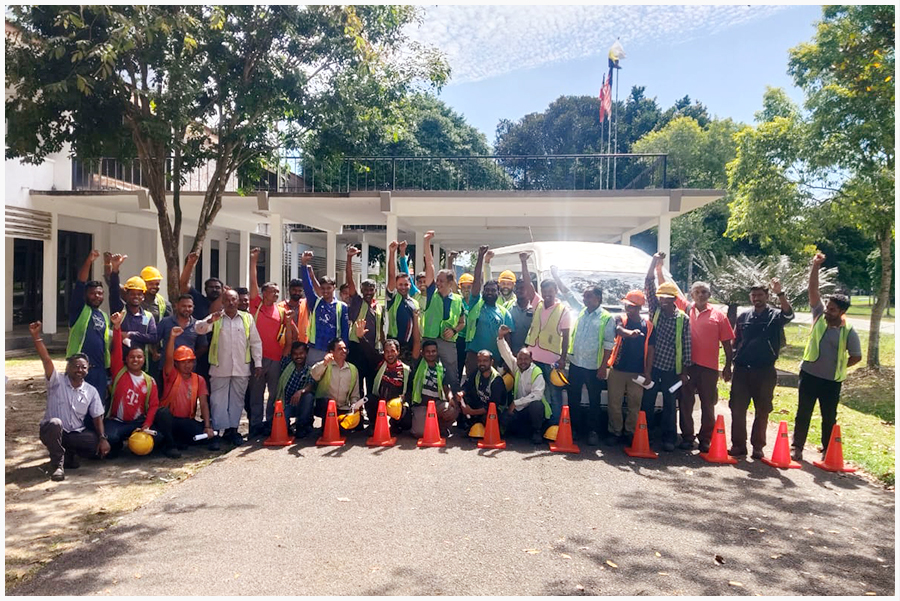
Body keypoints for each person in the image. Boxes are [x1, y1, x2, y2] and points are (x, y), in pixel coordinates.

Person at [653, 254, 735, 452]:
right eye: (697, 292)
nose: (700, 295)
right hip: (686, 366)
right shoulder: (686, 309)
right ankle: (687, 437)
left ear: (709, 295)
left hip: (709, 368)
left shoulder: (719, 316)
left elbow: (727, 343)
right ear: (691, 294)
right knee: (685, 402)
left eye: (704, 292)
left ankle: (705, 438)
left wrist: (727, 365)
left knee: (708, 404)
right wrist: (659, 269)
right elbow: (666, 290)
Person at [791, 252, 862, 462]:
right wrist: (815, 266)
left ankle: (827, 450)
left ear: (841, 311)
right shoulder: (819, 316)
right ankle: (797, 447)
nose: (827, 311)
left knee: (829, 417)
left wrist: (840, 366)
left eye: (832, 309)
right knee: (803, 413)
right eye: (827, 307)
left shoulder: (849, 331)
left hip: (831, 381)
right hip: (809, 374)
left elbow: (856, 356)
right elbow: (813, 290)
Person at [31, 321, 110, 481]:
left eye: (83, 367)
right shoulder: (56, 381)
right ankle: (57, 465)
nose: (79, 370)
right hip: (51, 431)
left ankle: (69, 455)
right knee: (55, 423)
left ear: (88, 370)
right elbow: (46, 360)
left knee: (93, 442)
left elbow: (97, 417)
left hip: (74, 434)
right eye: (76, 366)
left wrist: (103, 439)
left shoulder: (91, 391)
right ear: (68, 368)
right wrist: (36, 336)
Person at [729, 278, 794, 459]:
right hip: (742, 370)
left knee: (763, 409)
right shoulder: (743, 317)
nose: (756, 298)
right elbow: (736, 340)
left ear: (767, 296)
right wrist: (733, 359)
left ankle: (758, 446)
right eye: (753, 295)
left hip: (764, 371)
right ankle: (738, 445)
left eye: (760, 295)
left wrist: (780, 293)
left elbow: (789, 315)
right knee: (737, 408)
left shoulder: (775, 315)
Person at [551, 266, 615, 446]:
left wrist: (603, 367)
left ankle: (593, 431)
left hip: (594, 367)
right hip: (576, 364)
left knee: (594, 401)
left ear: (598, 298)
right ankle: (575, 429)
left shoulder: (606, 318)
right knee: (574, 398)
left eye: (589, 296)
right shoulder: (580, 311)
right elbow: (568, 294)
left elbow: (609, 345)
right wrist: (556, 275)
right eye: (585, 296)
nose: (585, 299)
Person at [103, 311, 179, 458]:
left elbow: (153, 406)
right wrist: (117, 327)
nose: (135, 360)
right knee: (111, 438)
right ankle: (117, 446)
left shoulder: (150, 381)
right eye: (132, 357)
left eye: (139, 357)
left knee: (158, 437)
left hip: (137, 422)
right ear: (126, 359)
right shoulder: (119, 372)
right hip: (117, 422)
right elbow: (117, 350)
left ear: (144, 360)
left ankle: (168, 445)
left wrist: (147, 424)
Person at [643, 255, 692, 452]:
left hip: (672, 369)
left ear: (674, 300)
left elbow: (686, 345)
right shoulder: (655, 310)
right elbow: (648, 284)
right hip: (652, 367)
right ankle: (644, 436)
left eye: (667, 298)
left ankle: (669, 438)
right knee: (647, 401)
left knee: (670, 404)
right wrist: (654, 263)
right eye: (661, 297)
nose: (663, 300)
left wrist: (684, 371)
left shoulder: (683, 319)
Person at [202, 289, 263, 445]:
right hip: (219, 368)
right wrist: (209, 321)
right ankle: (217, 433)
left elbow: (255, 342)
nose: (231, 302)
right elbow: (199, 329)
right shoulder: (216, 317)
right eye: (227, 300)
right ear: (222, 302)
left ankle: (233, 431)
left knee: (237, 401)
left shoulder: (247, 318)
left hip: (241, 368)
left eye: (234, 299)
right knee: (218, 402)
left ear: (238, 301)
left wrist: (258, 363)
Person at [522, 252, 570, 426]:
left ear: (555, 292)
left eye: (550, 291)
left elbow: (566, 337)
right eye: (545, 291)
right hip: (533, 358)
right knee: (534, 392)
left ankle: (555, 426)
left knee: (554, 394)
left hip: (551, 361)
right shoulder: (538, 303)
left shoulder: (563, 310)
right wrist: (524, 263)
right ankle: (537, 425)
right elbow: (528, 285)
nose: (547, 294)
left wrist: (563, 358)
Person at [248, 247, 289, 436]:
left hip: (276, 359)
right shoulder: (255, 305)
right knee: (256, 394)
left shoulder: (281, 311)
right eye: (273, 292)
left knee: (274, 394)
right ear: (264, 293)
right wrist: (253, 261)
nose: (276, 295)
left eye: (278, 292)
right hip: (257, 359)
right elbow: (253, 281)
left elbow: (291, 333)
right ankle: (255, 425)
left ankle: (272, 422)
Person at [159, 318, 218, 451]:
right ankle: (170, 446)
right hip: (170, 420)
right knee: (163, 415)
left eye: (190, 361)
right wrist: (172, 338)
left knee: (207, 434)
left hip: (186, 421)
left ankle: (180, 441)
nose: (187, 365)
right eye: (183, 362)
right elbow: (168, 358)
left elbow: (204, 404)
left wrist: (207, 426)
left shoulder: (199, 380)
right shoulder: (172, 374)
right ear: (176, 363)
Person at [606, 290, 653, 445]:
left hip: (637, 372)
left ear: (639, 308)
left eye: (631, 306)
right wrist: (630, 333)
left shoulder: (648, 326)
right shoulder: (620, 319)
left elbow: (651, 350)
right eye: (627, 305)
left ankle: (630, 432)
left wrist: (648, 372)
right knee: (614, 403)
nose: (628, 308)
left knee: (635, 404)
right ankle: (615, 431)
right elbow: (619, 330)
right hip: (618, 369)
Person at [421, 230, 466, 394]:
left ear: (450, 282)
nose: (437, 283)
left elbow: (462, 322)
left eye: (441, 281)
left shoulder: (458, 300)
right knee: (426, 373)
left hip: (448, 343)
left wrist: (454, 330)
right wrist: (427, 242)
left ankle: (456, 404)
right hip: (429, 340)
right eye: (437, 280)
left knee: (452, 375)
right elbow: (430, 265)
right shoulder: (432, 294)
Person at [67, 250, 112, 409]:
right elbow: (80, 282)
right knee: (77, 407)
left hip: (99, 370)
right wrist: (89, 261)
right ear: (86, 295)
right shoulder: (79, 309)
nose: (97, 296)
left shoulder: (104, 316)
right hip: (79, 369)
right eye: (93, 293)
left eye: (100, 293)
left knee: (97, 407)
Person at [463, 246, 514, 378]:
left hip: (494, 358)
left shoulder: (504, 313)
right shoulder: (476, 304)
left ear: (498, 293)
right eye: (487, 290)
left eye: (493, 290)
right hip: (474, 356)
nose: (489, 292)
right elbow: (477, 281)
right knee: (471, 386)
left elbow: (508, 338)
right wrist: (480, 256)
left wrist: (507, 359)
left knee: (492, 387)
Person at [497, 325, 551, 444]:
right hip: (519, 409)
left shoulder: (536, 372)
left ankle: (537, 431)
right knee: (504, 419)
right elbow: (506, 353)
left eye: (526, 359)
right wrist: (501, 337)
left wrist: (516, 403)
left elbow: (537, 395)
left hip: (532, 410)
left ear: (531, 360)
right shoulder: (517, 367)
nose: (522, 362)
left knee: (536, 405)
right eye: (520, 359)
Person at [345, 245, 384, 398]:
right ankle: (357, 410)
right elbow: (349, 280)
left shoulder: (378, 307)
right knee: (357, 383)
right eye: (365, 290)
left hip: (372, 349)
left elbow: (380, 328)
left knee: (373, 383)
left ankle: (372, 410)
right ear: (361, 290)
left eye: (371, 290)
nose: (368, 292)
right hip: (357, 348)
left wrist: (383, 345)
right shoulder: (357, 302)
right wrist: (349, 258)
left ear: (375, 290)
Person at [300, 250, 350, 366]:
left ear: (334, 288)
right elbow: (307, 286)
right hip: (315, 348)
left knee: (331, 377)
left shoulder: (341, 307)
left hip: (333, 350)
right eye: (323, 288)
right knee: (312, 375)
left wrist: (344, 350)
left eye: (328, 288)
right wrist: (303, 264)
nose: (325, 291)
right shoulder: (315, 302)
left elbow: (344, 331)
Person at [108, 263, 159, 372]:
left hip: (140, 365)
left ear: (143, 297)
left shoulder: (148, 316)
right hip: (120, 363)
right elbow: (114, 292)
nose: (136, 297)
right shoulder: (120, 311)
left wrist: (131, 334)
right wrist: (115, 270)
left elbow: (153, 337)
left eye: (139, 294)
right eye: (132, 294)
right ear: (126, 295)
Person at [359, 334, 413, 435]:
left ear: (398, 352)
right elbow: (369, 351)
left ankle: (395, 424)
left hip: (396, 405)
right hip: (380, 402)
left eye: (392, 351)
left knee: (407, 423)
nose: (390, 354)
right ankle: (374, 424)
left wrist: (403, 399)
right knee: (369, 399)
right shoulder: (379, 364)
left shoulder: (406, 370)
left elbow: (410, 390)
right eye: (387, 351)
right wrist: (361, 337)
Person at [405, 340, 460, 438]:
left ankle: (440, 428)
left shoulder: (441, 368)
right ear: (422, 353)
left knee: (452, 409)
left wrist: (451, 398)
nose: (431, 354)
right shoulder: (417, 364)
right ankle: (423, 423)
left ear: (437, 352)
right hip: (421, 405)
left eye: (433, 351)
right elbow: (416, 343)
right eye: (428, 351)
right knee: (420, 433)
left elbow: (446, 387)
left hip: (437, 404)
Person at [310, 338, 361, 431]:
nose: (344, 351)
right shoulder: (326, 365)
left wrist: (355, 407)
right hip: (324, 406)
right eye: (340, 349)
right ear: (331, 352)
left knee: (357, 424)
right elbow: (314, 374)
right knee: (327, 403)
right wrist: (324, 363)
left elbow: (355, 394)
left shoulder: (353, 369)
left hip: (343, 408)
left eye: (345, 348)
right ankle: (326, 429)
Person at [385, 240, 422, 365]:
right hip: (395, 345)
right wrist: (392, 252)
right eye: (400, 284)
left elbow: (416, 327)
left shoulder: (414, 302)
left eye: (406, 284)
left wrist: (417, 346)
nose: (403, 287)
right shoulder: (393, 298)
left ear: (410, 285)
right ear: (396, 285)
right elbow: (391, 275)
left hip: (410, 346)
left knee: (409, 374)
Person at [276, 325, 315, 439]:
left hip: (301, 405)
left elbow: (310, 385)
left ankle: (301, 426)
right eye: (295, 354)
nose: (298, 356)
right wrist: (289, 323)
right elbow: (289, 342)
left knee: (309, 397)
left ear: (306, 354)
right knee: (281, 429)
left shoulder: (309, 369)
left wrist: (301, 391)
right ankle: (288, 426)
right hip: (286, 404)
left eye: (301, 353)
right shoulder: (287, 364)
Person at [156, 295, 209, 378]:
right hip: (167, 368)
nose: (187, 309)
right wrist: (156, 353)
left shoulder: (197, 325)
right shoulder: (166, 322)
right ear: (177, 306)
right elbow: (155, 339)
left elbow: (203, 346)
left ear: (193, 307)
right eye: (184, 306)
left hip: (188, 371)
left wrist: (190, 357)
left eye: (189, 306)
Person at [458, 349, 507, 433]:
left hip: (495, 411)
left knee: (487, 419)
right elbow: (466, 386)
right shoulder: (477, 372)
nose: (482, 363)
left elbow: (493, 405)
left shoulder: (497, 380)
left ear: (491, 362)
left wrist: (472, 412)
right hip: (482, 403)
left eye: (485, 361)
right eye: (479, 361)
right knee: (462, 399)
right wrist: (461, 394)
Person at [279, 278, 310, 344]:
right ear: (289, 290)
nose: (297, 293)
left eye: (299, 291)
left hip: (302, 343)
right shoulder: (280, 306)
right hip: (285, 343)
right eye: (294, 290)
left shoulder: (306, 304)